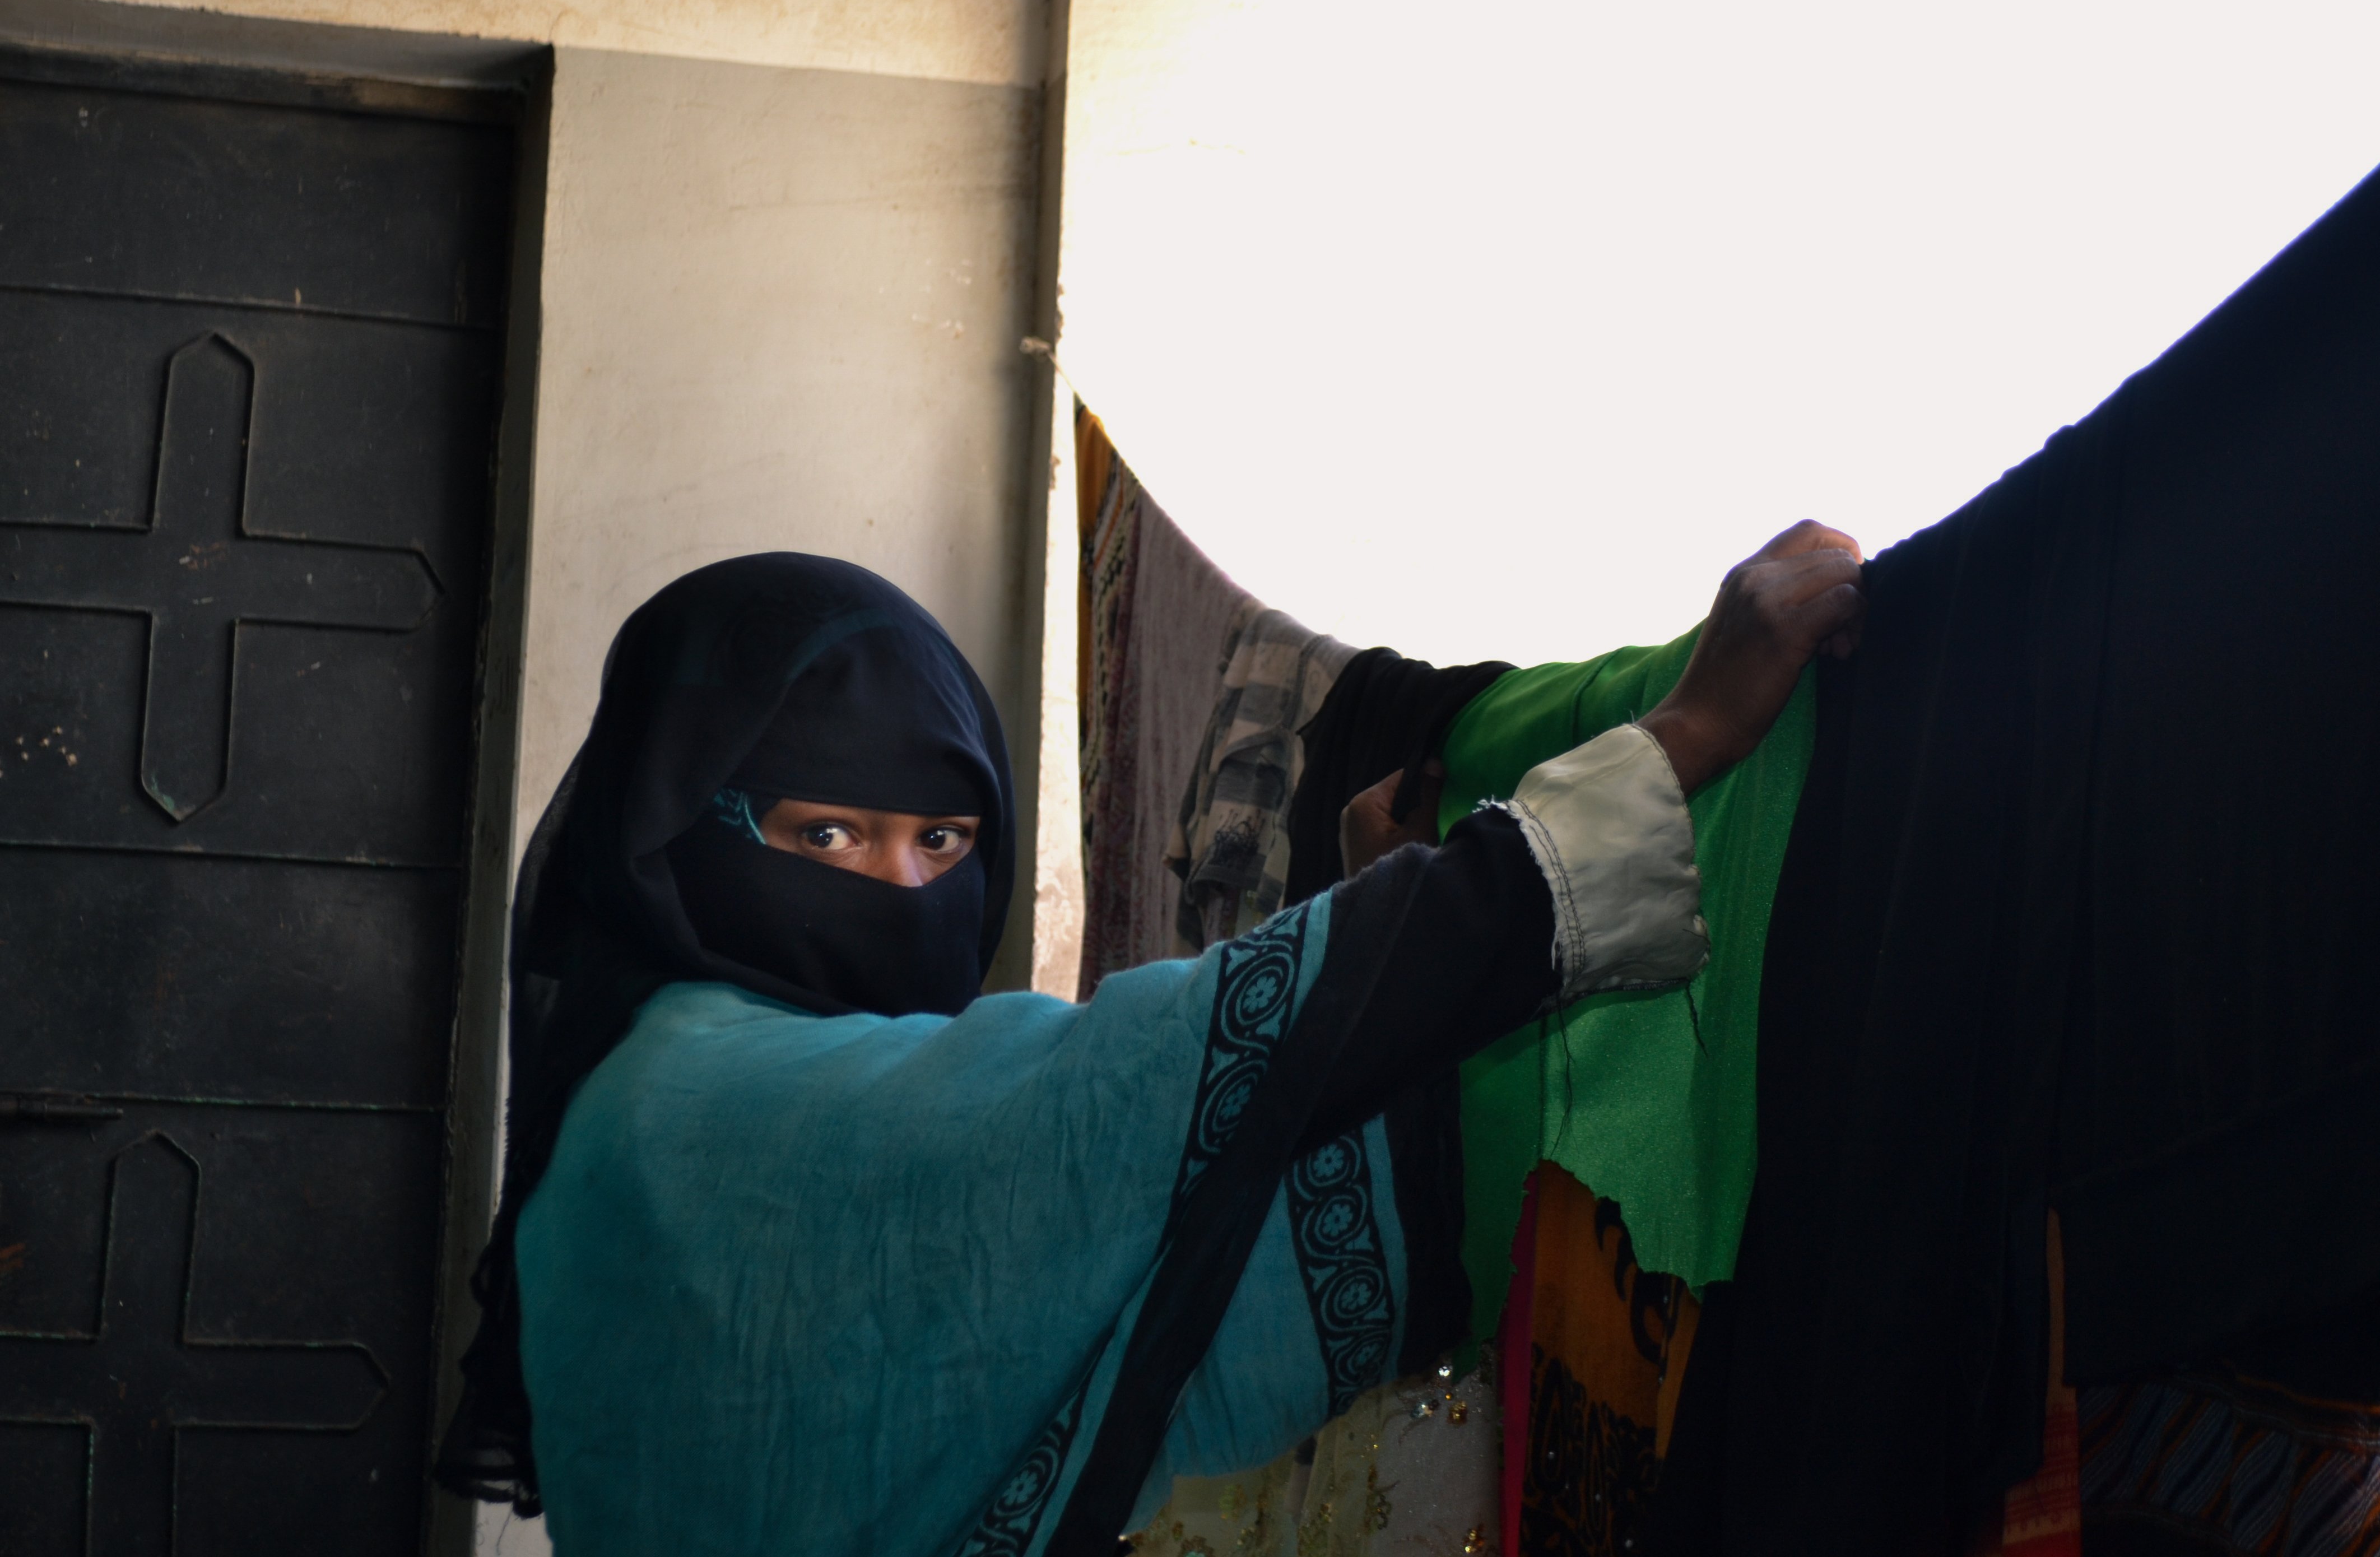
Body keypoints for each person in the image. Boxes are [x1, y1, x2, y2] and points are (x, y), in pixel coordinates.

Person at [434, 524, 1863, 1557]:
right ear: (673, 831)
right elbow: (1109, 1102)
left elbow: (1122, 1208)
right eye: (825, 833)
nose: (902, 892)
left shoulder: (627, 1142)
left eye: (946, 840)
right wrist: (1675, 745)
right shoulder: (689, 1112)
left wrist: (1352, 922)